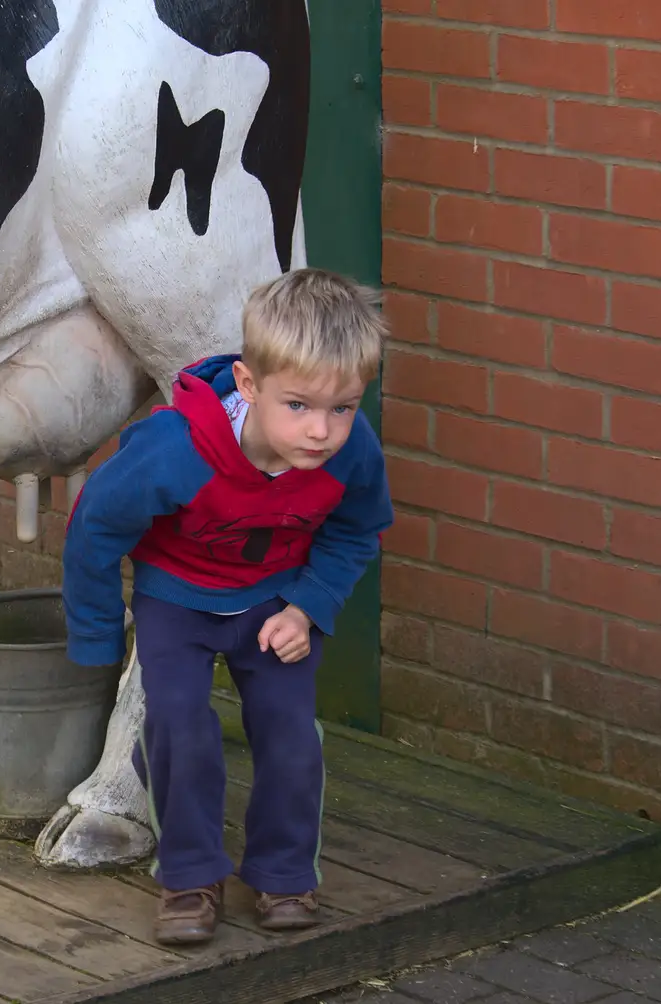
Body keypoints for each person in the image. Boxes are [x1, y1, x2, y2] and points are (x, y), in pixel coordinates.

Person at [61, 268, 394, 946]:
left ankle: (281, 871)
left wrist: (307, 607)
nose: (322, 431)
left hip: (276, 602)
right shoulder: (175, 450)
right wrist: (97, 637)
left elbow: (357, 529)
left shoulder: (350, 453)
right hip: (176, 600)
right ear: (248, 385)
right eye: (298, 406)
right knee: (181, 728)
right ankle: (190, 876)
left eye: (343, 408)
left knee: (290, 734)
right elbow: (94, 527)